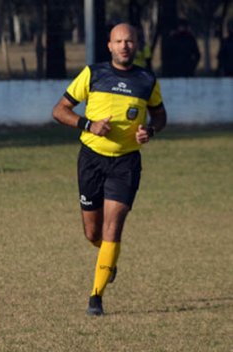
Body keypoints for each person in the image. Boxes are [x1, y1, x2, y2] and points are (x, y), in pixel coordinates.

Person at [52, 23, 167, 316]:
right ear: (110, 46)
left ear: (136, 44)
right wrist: (88, 124)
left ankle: (96, 297)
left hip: (126, 162)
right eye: (119, 41)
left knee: (113, 227)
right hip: (91, 158)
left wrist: (150, 131)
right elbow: (60, 110)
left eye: (129, 41)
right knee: (93, 233)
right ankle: (108, 259)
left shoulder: (146, 80)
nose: (124, 46)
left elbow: (160, 115)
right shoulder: (93, 74)